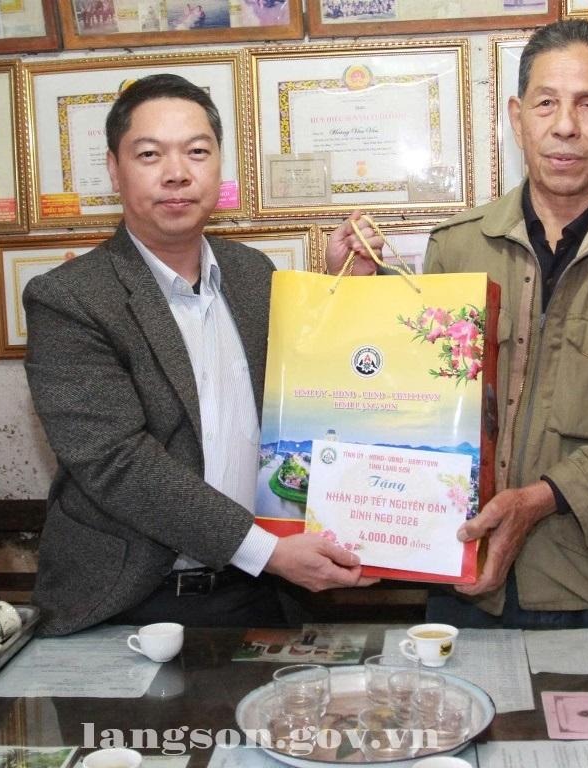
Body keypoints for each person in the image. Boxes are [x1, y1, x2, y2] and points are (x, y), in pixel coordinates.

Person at [327, 19, 588, 628]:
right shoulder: (457, 246)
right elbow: (414, 399)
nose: (565, 126)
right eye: (545, 103)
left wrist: (543, 498)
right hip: (464, 572)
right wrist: (357, 301)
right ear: (517, 119)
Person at [24, 74, 374, 636]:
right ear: (114, 169)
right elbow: (117, 462)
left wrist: (346, 291)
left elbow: (306, 394)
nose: (177, 173)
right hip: (131, 602)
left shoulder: (252, 273)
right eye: (149, 154)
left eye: (196, 151)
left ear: (218, 166)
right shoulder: (69, 299)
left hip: (258, 593)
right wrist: (266, 550)